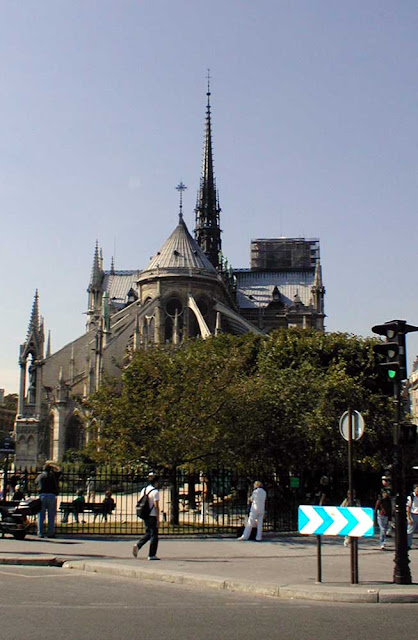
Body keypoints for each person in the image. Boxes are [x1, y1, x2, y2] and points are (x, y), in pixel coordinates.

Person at [132, 475, 160, 560]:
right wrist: (158, 518)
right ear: (155, 482)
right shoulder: (155, 492)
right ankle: (152, 554)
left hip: (145, 514)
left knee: (148, 532)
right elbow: (156, 505)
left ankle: (138, 545)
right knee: (154, 535)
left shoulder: (144, 490)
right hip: (152, 514)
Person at [36, 460, 61, 538]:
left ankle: (40, 532)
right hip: (51, 495)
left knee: (41, 515)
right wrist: (54, 466)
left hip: (42, 495)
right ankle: (51, 532)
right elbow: (60, 471)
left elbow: (35, 482)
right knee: (51, 515)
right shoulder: (53, 475)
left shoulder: (40, 476)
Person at [407, 483, 418, 549]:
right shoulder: (411, 497)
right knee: (410, 531)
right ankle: (408, 544)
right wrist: (409, 517)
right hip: (413, 514)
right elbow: (408, 507)